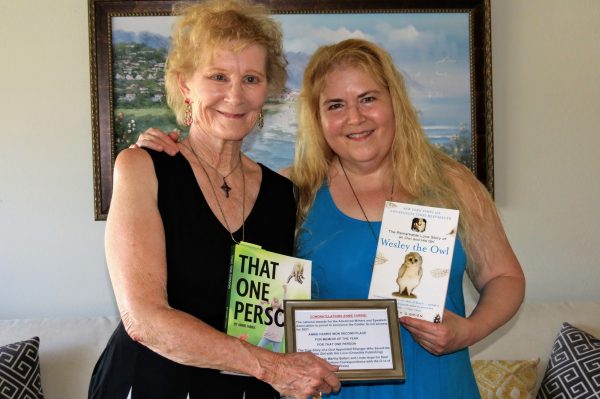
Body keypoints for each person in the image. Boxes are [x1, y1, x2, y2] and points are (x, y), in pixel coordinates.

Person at [135, 38, 526, 399]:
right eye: (335, 105)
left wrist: (469, 330)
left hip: (442, 387)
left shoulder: (452, 182)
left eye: (368, 98)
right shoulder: (292, 192)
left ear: (395, 102)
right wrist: (174, 151)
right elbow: (237, 281)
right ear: (318, 119)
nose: (354, 118)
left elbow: (504, 277)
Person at [88, 1, 340, 398]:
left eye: (252, 79)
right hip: (151, 384)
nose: (235, 96)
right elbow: (143, 320)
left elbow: (273, 317)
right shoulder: (142, 168)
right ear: (186, 85)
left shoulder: (283, 194)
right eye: (218, 76)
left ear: (267, 92)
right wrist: (273, 367)